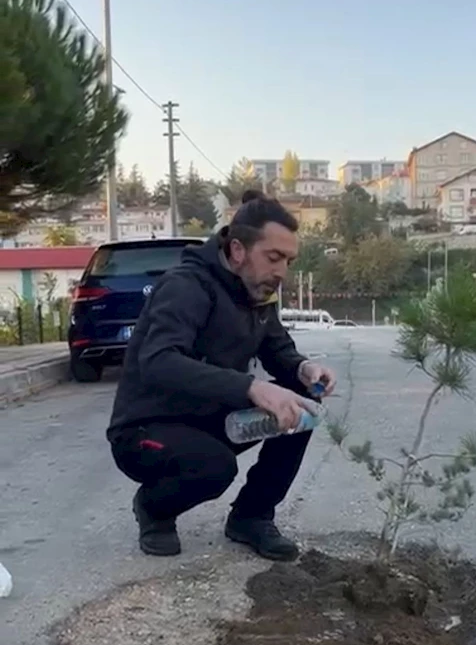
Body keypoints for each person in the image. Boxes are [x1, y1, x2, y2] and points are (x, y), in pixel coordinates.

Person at [106, 190, 336, 562]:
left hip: (211, 418)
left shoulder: (257, 292)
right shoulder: (186, 286)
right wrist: (251, 387)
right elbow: (160, 361)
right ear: (238, 250)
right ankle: (154, 509)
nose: (281, 272)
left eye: (289, 261)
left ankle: (251, 516)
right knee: (213, 466)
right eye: (274, 258)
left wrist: (303, 368)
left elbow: (278, 350)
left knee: (301, 399)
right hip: (147, 430)